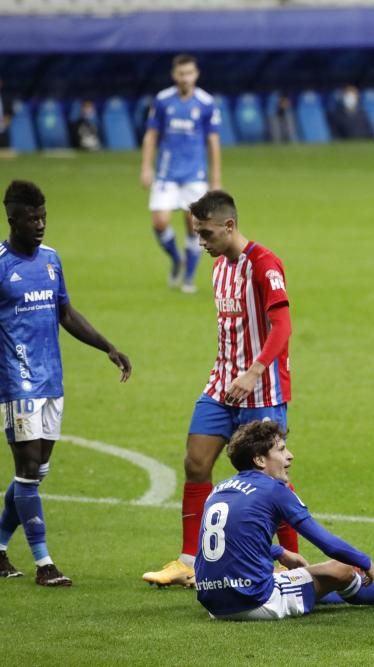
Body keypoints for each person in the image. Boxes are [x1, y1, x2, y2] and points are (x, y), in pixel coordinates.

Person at [142, 190, 297, 587]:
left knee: (272, 480)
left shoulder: (264, 265)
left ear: (229, 226)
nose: (201, 242)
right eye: (197, 234)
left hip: (260, 389)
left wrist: (253, 372)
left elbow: (282, 327)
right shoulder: (218, 268)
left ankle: (288, 566)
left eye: (207, 234)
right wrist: (233, 375)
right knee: (195, 463)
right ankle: (188, 561)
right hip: (221, 384)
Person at [0, 180, 132, 585]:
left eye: (43, 217)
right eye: (31, 218)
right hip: (16, 381)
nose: (39, 225)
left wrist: (107, 346)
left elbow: (66, 313)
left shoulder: (52, 260)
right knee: (26, 468)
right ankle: (44, 563)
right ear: (12, 219)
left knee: (37, 471)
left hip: (52, 380)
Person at [194, 420, 374, 620]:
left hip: (211, 601)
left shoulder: (220, 489)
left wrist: (279, 552)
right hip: (254, 602)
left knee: (278, 573)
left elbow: (231, 539)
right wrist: (364, 561)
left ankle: (323, 591)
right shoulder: (274, 489)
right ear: (260, 460)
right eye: (281, 450)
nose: (290, 455)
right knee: (341, 569)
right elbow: (327, 543)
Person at [140, 53, 222, 293]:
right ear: (174, 75)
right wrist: (146, 167)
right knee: (160, 222)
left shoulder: (206, 103)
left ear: (196, 74)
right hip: (166, 172)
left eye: (189, 73)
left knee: (194, 225)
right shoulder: (163, 101)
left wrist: (216, 179)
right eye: (181, 73)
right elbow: (151, 135)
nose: (185, 78)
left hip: (194, 175)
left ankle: (188, 277)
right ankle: (176, 259)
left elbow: (213, 141)